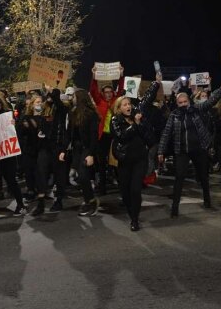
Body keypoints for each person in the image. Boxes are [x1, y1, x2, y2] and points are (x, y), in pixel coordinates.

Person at [158, 74, 221, 216]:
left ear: (189, 102)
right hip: (182, 151)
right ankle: (174, 207)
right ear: (177, 104)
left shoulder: (196, 109)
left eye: (185, 102)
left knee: (203, 176)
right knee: (179, 177)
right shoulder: (174, 116)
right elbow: (166, 134)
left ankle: (207, 199)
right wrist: (161, 151)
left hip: (199, 149)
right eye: (181, 103)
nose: (184, 104)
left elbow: (210, 102)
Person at [111, 76, 160, 231]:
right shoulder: (115, 120)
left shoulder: (136, 114)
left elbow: (146, 99)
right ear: (119, 108)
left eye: (129, 104)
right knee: (125, 191)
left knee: (135, 190)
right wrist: (135, 125)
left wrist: (156, 83)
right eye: (125, 105)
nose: (129, 106)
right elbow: (122, 136)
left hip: (139, 159)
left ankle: (134, 219)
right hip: (125, 161)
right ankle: (130, 208)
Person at [0, 92, 27, 215]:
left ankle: (21, 205)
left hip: (7, 155)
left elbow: (16, 133)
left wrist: (14, 125)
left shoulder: (7, 114)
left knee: (11, 180)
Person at [30, 87, 69, 216]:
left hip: (57, 147)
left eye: (51, 95)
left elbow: (58, 103)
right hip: (44, 147)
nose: (49, 97)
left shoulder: (62, 109)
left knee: (59, 175)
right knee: (41, 174)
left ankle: (58, 200)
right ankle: (40, 203)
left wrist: (51, 90)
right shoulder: (43, 110)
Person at [65, 89, 101, 216]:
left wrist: (91, 154)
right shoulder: (73, 112)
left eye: (74, 96)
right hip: (77, 149)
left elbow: (94, 136)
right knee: (79, 177)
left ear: (80, 98)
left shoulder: (91, 114)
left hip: (86, 149)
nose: (72, 98)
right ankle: (88, 201)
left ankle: (91, 201)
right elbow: (70, 133)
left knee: (83, 176)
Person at [90, 65, 124, 194]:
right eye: (106, 92)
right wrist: (94, 76)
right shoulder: (99, 101)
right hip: (102, 137)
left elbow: (121, 90)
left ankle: (122, 187)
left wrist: (121, 75)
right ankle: (102, 187)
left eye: (110, 92)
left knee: (116, 162)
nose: (109, 94)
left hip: (115, 137)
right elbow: (93, 90)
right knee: (102, 163)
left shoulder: (116, 101)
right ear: (103, 93)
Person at [17, 93, 43, 201]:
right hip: (29, 149)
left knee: (39, 171)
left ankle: (40, 190)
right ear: (32, 105)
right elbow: (21, 132)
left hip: (41, 149)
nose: (40, 104)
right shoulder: (26, 118)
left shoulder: (45, 116)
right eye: (37, 102)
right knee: (29, 170)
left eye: (41, 102)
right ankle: (31, 190)